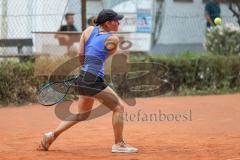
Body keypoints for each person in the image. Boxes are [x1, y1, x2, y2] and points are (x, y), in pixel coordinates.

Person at [37, 9, 138, 153]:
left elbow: (81, 54)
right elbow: (105, 53)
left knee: (82, 114)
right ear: (108, 23)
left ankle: (50, 136)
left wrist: (85, 70)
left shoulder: (88, 31)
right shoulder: (113, 39)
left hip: (83, 76)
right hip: (93, 80)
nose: (119, 23)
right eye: (116, 20)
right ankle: (119, 144)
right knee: (118, 107)